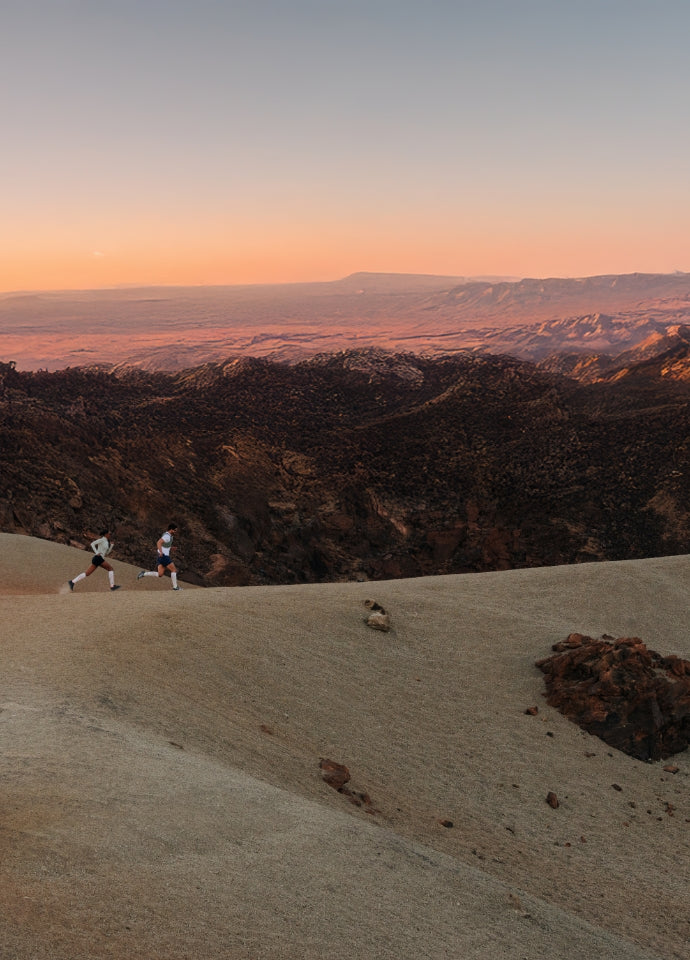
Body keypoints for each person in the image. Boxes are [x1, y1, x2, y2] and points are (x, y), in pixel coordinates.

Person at [137, 523, 182, 590]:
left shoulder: (167, 535)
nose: (176, 532)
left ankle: (144, 574)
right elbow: (158, 542)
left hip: (160, 556)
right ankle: (175, 587)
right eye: (175, 530)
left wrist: (171, 548)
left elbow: (164, 545)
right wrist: (161, 552)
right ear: (171, 530)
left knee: (160, 574)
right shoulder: (167, 536)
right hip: (164, 556)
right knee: (174, 570)